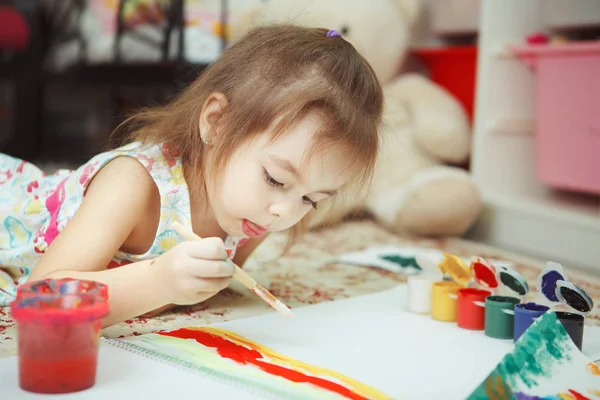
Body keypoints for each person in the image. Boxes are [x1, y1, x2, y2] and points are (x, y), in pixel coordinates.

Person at [0, 25, 383, 326]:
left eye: (311, 199)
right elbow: (40, 296)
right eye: (275, 179)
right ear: (216, 122)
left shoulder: (251, 215)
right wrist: (157, 282)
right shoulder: (133, 183)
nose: (283, 212)